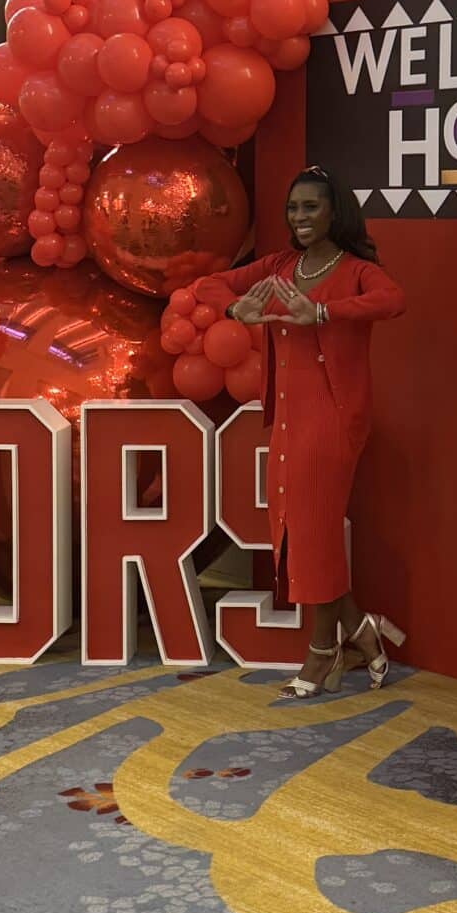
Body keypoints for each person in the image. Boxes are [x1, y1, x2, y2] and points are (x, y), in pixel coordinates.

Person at [193, 166, 406, 697]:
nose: (300, 217)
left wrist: (324, 314)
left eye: (311, 207)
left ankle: (320, 652)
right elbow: (206, 283)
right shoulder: (280, 266)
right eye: (293, 208)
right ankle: (363, 631)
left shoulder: (355, 270)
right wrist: (232, 307)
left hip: (332, 417)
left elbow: (392, 300)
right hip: (286, 418)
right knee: (296, 528)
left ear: (335, 211)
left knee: (312, 531)